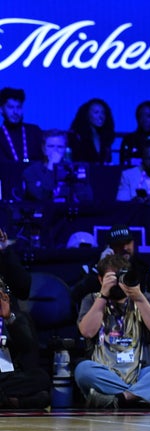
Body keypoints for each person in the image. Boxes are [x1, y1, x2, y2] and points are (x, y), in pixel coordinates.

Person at [75, 254, 150, 410]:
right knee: (83, 370)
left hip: (140, 374)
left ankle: (120, 399)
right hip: (106, 374)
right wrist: (103, 295)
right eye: (112, 278)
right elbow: (87, 332)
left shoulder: (146, 299)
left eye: (122, 276)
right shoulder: (92, 300)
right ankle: (144, 396)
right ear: (100, 279)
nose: (118, 283)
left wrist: (138, 297)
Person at [0, 228, 52, 409]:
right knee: (39, 397)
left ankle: (6, 400)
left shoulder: (8, 309)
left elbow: (23, 287)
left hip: (5, 373)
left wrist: (9, 318)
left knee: (41, 379)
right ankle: (11, 401)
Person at [69, 223, 150, 313]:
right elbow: (75, 299)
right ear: (109, 247)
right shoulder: (92, 269)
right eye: (120, 244)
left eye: (128, 242)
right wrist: (101, 268)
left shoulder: (145, 270)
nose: (125, 247)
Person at [22, 129, 93, 203]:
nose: (55, 150)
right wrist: (51, 168)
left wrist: (78, 179)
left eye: (60, 147)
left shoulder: (72, 169)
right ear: (43, 148)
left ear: (65, 149)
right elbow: (41, 196)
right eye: (51, 146)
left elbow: (87, 198)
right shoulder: (31, 171)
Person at [0, 87, 43, 164]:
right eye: (11, 107)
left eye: (18, 107)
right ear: (1, 109)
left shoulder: (34, 132)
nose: (15, 112)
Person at [68, 98, 116, 164]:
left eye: (103, 112)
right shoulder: (76, 136)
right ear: (87, 115)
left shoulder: (105, 138)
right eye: (96, 112)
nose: (101, 116)